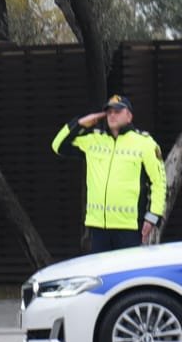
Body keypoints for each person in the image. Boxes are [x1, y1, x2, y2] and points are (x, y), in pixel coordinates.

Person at [52, 93, 166, 251]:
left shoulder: (145, 143)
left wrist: (152, 217)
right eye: (109, 112)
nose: (112, 115)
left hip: (129, 227)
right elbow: (58, 146)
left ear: (129, 116)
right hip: (97, 226)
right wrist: (81, 123)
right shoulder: (94, 141)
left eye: (117, 111)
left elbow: (159, 182)